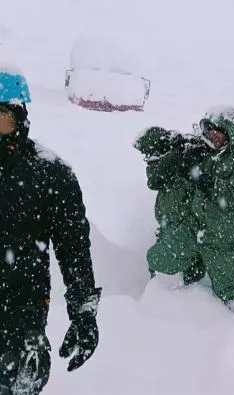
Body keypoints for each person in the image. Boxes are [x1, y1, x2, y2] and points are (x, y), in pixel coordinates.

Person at [0, 69, 101, 394]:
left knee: (21, 380)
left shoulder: (50, 175)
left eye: (1, 117)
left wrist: (83, 312)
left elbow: (73, 248)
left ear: (20, 118)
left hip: (22, 310)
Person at [145, 106, 234, 313]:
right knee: (161, 259)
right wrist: (180, 156)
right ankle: (161, 305)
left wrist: (203, 179)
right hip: (194, 227)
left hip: (224, 235)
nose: (211, 136)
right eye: (207, 130)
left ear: (229, 132)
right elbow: (158, 178)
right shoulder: (203, 150)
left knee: (230, 290)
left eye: (216, 130)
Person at [134, 127, 207, 285]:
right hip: (176, 235)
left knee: (157, 259)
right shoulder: (167, 174)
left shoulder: (179, 173)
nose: (147, 160)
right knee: (159, 260)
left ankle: (179, 296)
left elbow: (193, 214)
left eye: (149, 154)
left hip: (188, 236)